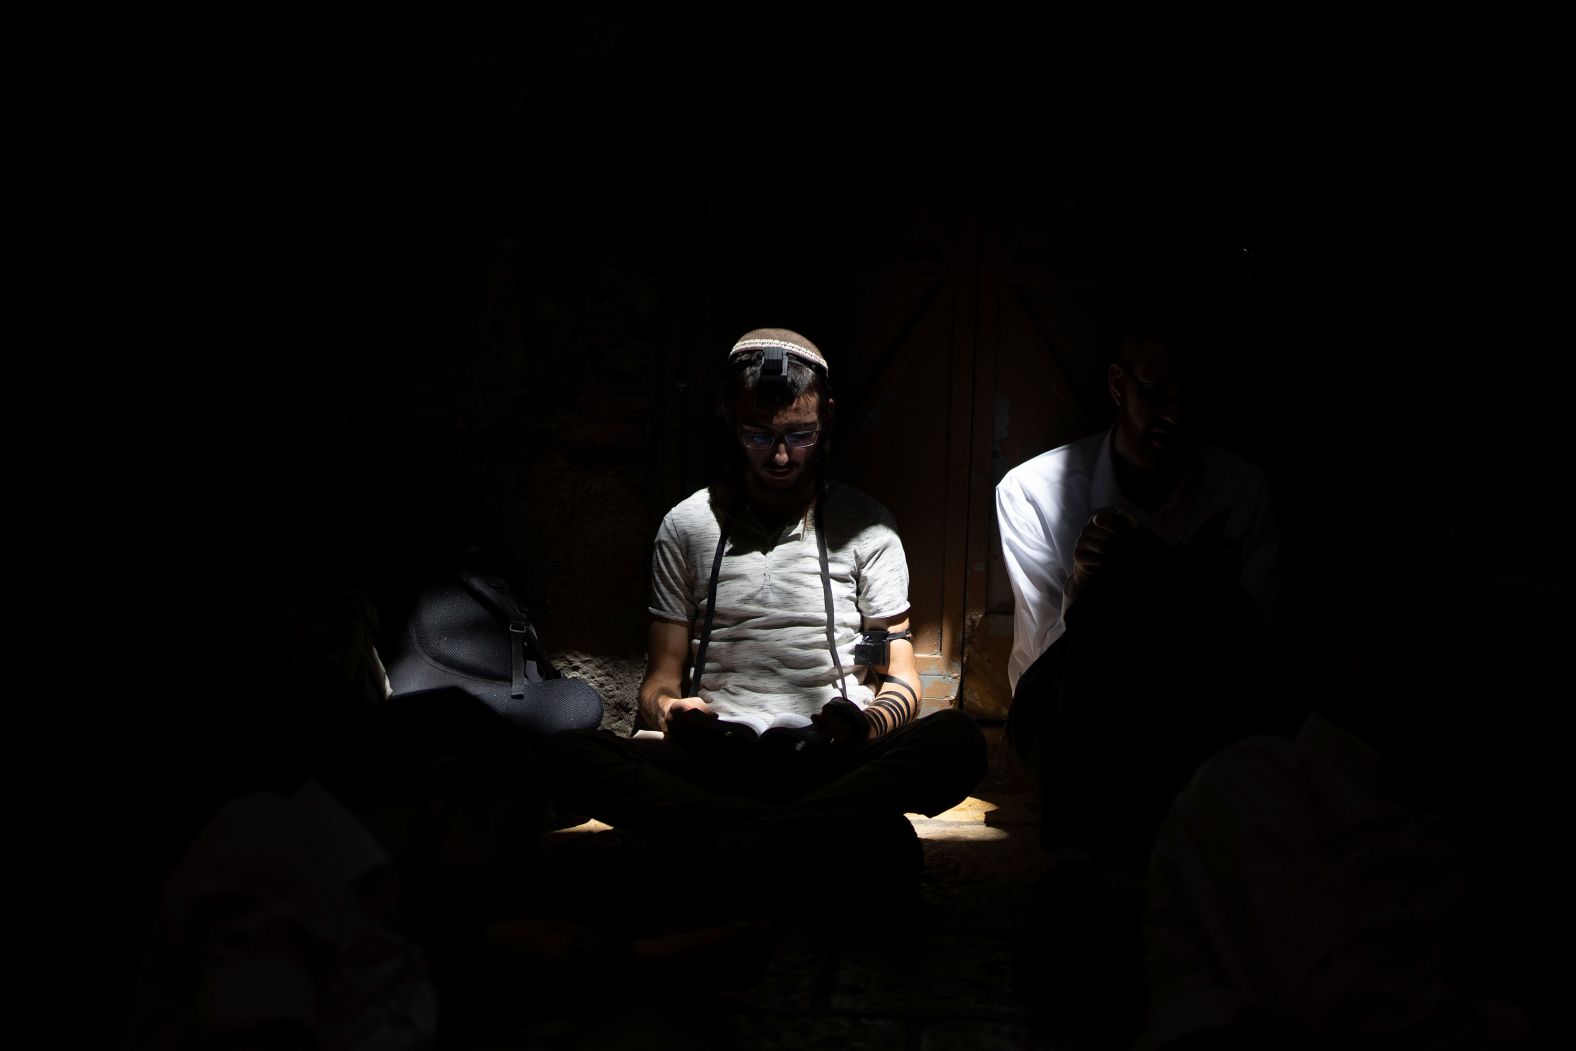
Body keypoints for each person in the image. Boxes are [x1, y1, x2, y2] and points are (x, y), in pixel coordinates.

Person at [545, 327, 987, 901]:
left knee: (957, 740)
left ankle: (731, 842)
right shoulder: (688, 527)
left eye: (800, 436)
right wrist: (674, 714)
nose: (781, 456)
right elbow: (659, 683)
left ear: (827, 417)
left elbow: (900, 679)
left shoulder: (867, 528)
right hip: (719, 760)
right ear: (728, 417)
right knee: (568, 754)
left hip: (829, 758)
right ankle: (810, 836)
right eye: (760, 435)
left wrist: (863, 725)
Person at [992, 290, 1285, 1030]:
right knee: (1111, 600)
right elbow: (1051, 658)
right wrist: (1102, 588)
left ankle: (1081, 880)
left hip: (1187, 711)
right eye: (1155, 393)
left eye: (1192, 398)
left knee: (1148, 588)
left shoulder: (1241, 491)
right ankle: (1080, 882)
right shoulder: (1030, 492)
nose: (1173, 416)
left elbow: (1247, 650)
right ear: (1120, 387)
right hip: (1065, 718)